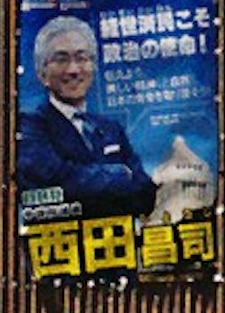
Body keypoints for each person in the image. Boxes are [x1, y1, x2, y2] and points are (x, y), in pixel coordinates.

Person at [15, 13, 154, 219]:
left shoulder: (110, 129)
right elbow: (60, 180)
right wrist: (123, 175)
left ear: (93, 67)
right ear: (41, 72)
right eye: (61, 59)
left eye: (82, 58)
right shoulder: (29, 126)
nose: (73, 69)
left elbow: (145, 194)